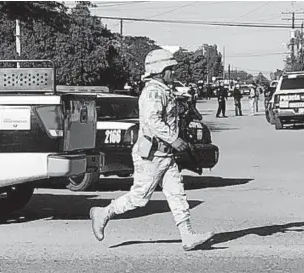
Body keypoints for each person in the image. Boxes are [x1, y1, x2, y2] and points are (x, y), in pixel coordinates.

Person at [89, 49, 214, 251]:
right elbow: (152, 121)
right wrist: (174, 140)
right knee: (139, 198)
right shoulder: (153, 92)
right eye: (170, 69)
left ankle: (187, 235)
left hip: (165, 155)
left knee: (177, 194)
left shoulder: (164, 90)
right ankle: (104, 213)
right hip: (152, 156)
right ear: (159, 70)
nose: (173, 72)